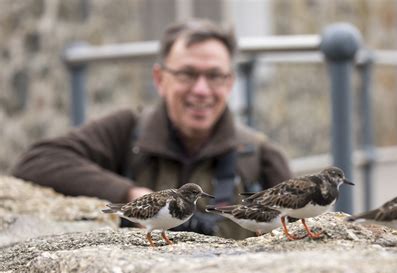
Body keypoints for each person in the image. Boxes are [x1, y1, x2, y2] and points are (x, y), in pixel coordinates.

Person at [12, 19, 292, 239]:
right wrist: (129, 194)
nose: (201, 90)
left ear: (229, 83)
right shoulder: (126, 129)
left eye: (215, 76)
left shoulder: (262, 156)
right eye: (187, 74)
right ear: (160, 78)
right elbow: (38, 160)